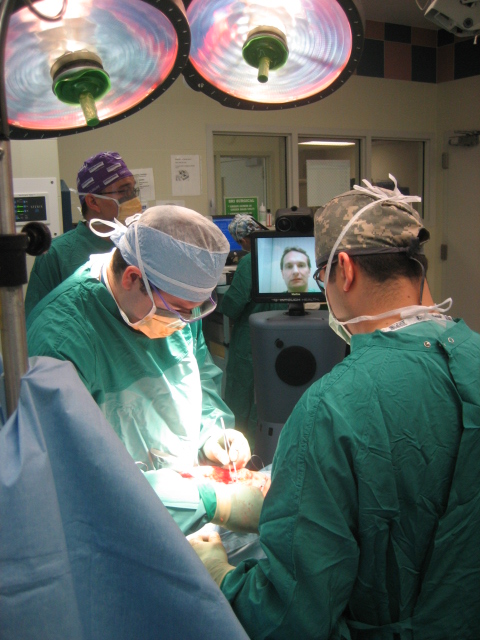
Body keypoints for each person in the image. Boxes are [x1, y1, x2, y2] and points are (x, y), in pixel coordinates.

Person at [189, 177, 480, 638]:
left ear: (343, 269)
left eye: (321, 275)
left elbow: (292, 615)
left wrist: (219, 575)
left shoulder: (333, 406)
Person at [27, 205, 268, 535]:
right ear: (132, 278)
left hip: (182, 508)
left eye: (194, 311)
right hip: (110, 530)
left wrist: (213, 436)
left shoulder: (176, 310)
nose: (185, 322)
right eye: (180, 310)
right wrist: (208, 501)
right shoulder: (61, 339)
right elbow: (74, 476)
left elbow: (202, 387)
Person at [24, 151, 141, 317]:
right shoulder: (56, 254)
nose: (133, 198)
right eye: (123, 190)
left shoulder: (139, 245)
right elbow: (36, 321)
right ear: (93, 201)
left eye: (133, 189)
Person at [219, 214, 286, 447]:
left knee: (242, 394)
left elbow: (234, 304)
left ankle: (242, 447)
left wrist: (215, 301)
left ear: (244, 240)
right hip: (284, 334)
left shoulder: (249, 261)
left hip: (252, 339)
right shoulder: (284, 253)